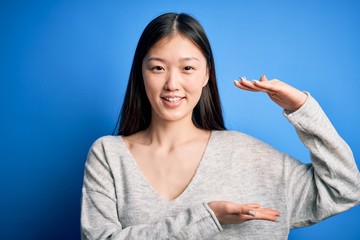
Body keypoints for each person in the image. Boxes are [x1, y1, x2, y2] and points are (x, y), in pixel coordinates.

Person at [81, 12, 360, 239]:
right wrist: (208, 218)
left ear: (206, 74)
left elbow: (345, 189)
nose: (172, 84)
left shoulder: (250, 157)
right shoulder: (109, 155)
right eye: (157, 68)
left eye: (187, 68)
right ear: (140, 73)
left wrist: (302, 108)